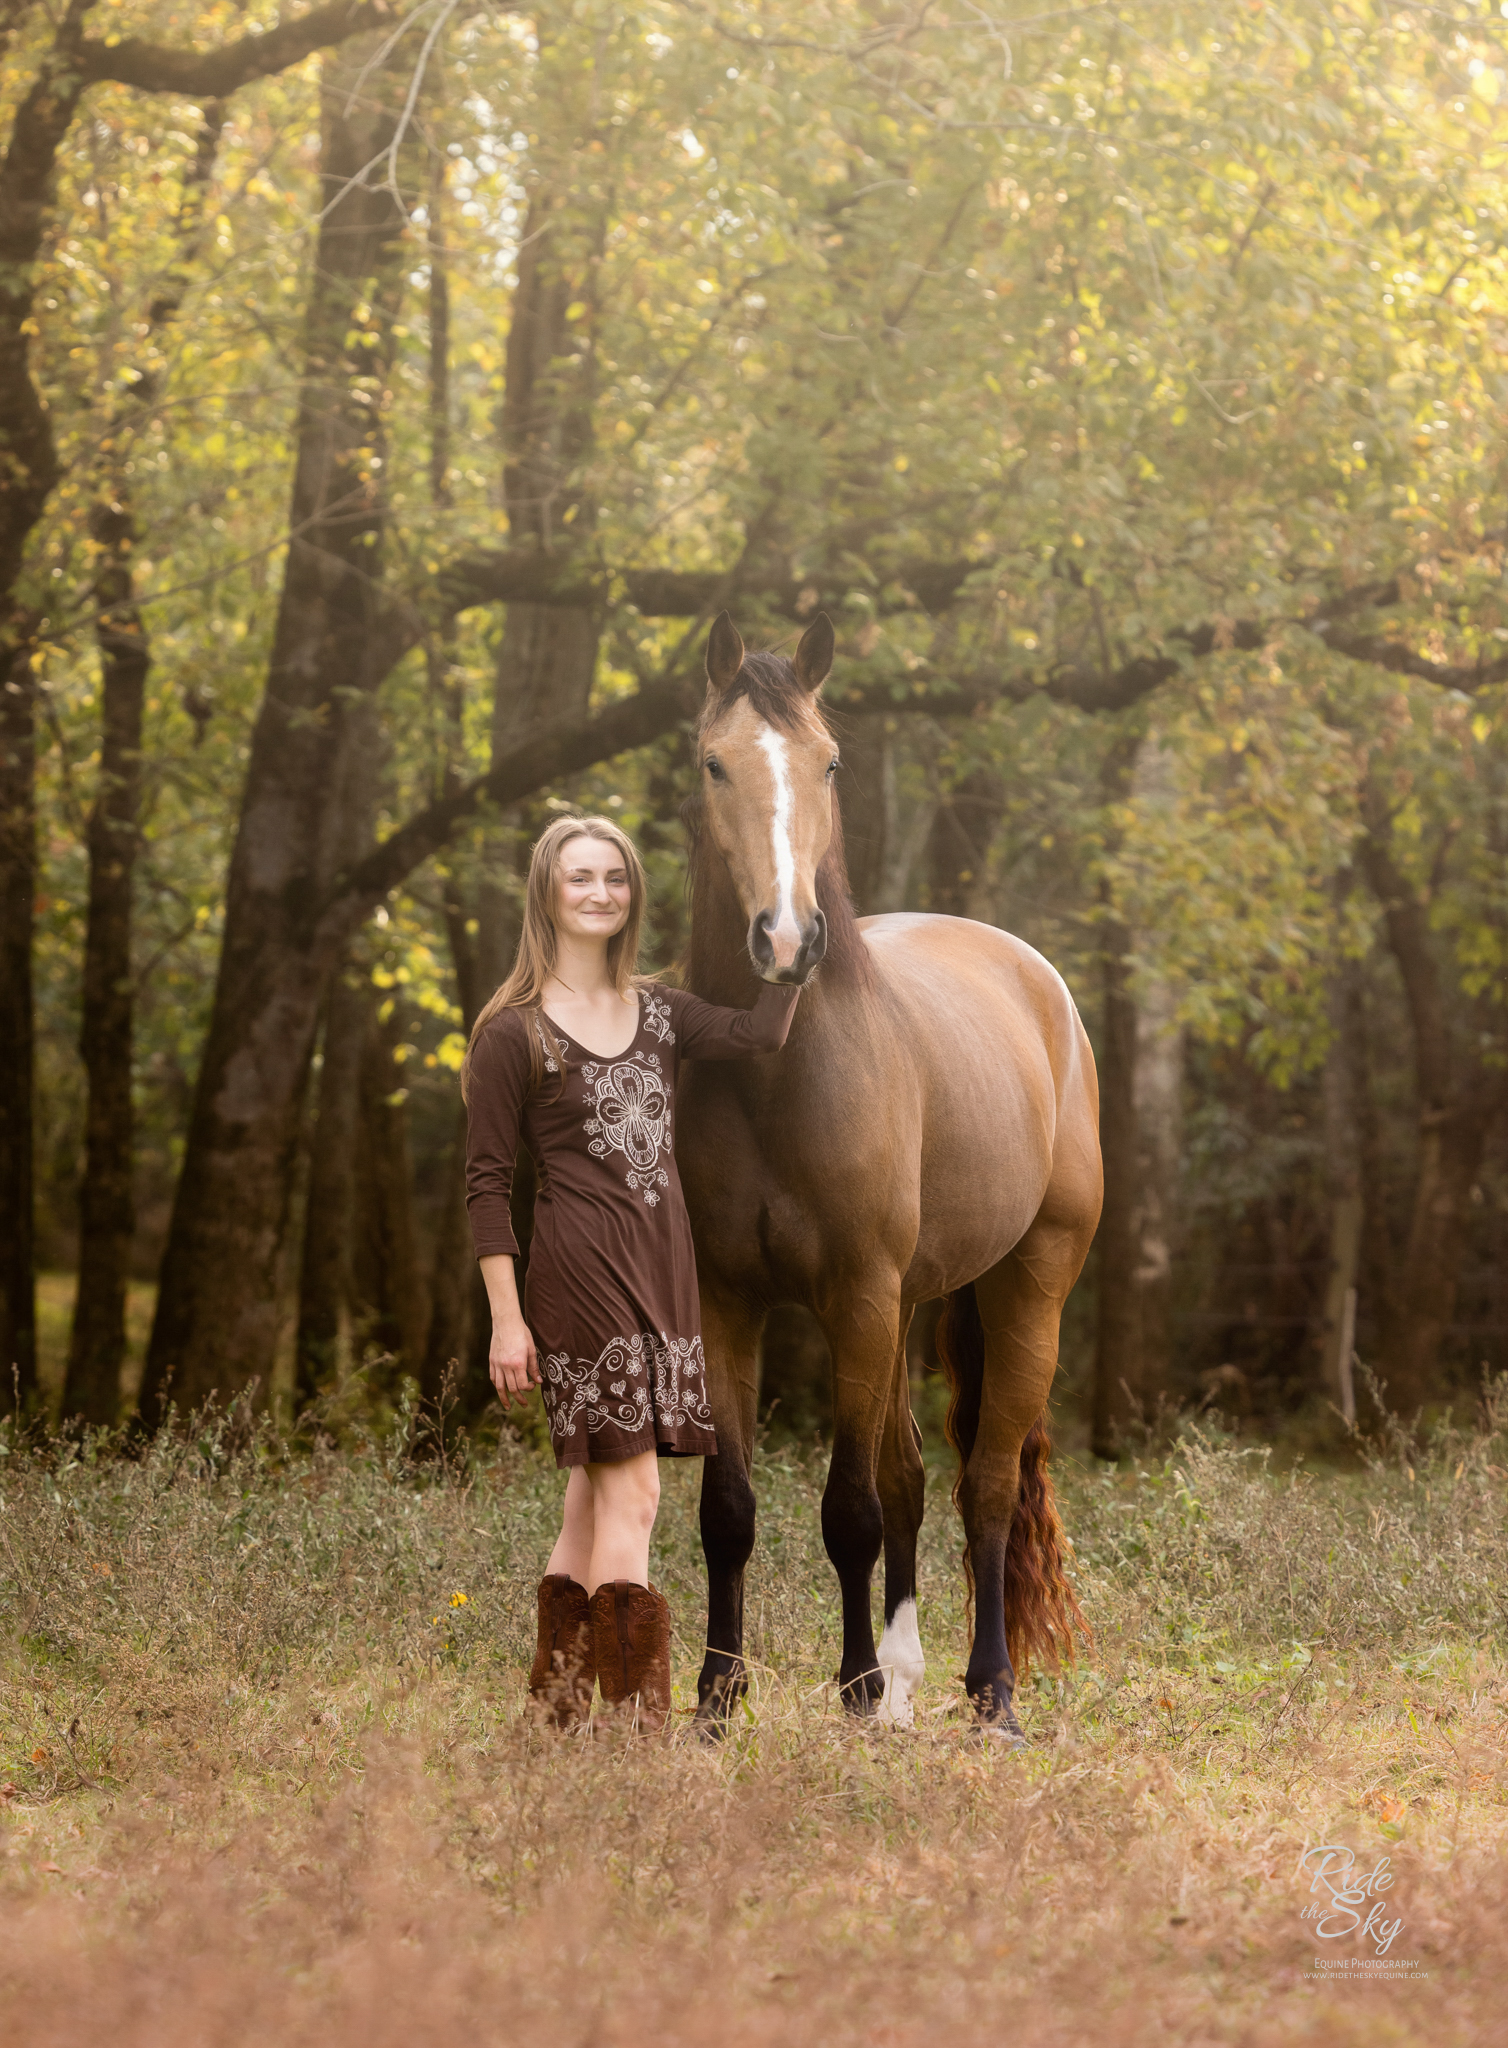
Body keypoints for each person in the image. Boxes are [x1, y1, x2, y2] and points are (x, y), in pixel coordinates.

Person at [463, 814, 800, 1732]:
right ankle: (633, 1741)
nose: (601, 892)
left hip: (664, 1277)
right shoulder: (513, 1034)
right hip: (577, 1278)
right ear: (547, 892)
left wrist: (788, 955)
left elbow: (761, 1034)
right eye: (581, 877)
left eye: (615, 877)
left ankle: (559, 1716)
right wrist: (506, 1318)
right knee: (637, 1492)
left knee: (590, 1494)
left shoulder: (661, 1013)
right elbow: (487, 1188)